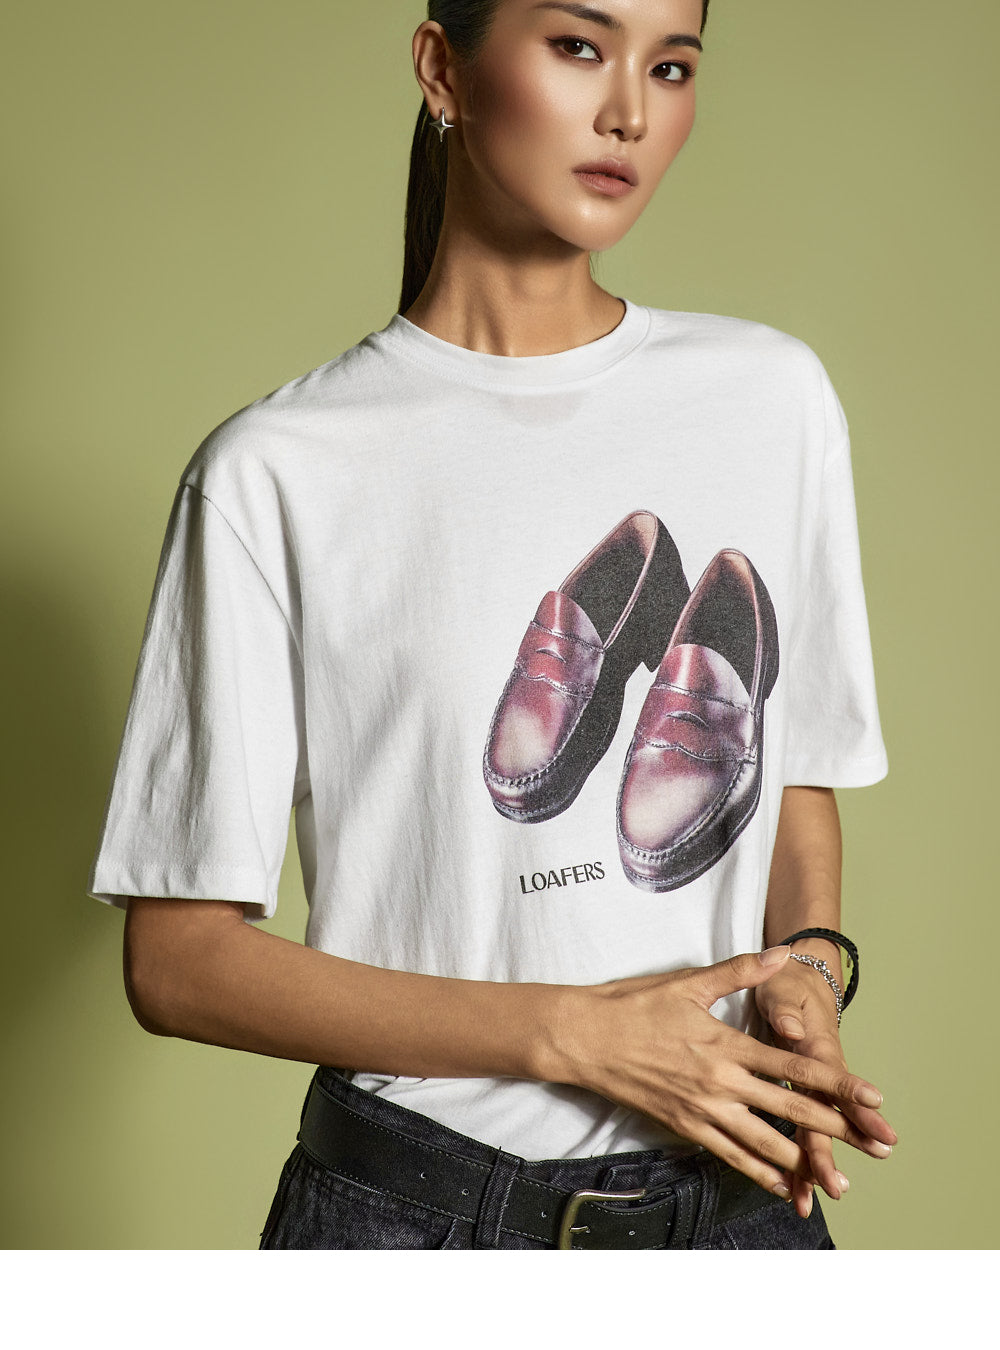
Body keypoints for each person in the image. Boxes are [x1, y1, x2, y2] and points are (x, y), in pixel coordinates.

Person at [87, 0, 897, 1250]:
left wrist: (804, 967)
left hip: (738, 1205)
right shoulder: (278, 470)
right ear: (442, 70)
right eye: (578, 46)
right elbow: (179, 962)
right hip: (410, 1215)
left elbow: (789, 775)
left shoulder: (769, 398)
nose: (628, 110)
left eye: (670, 66)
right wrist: (572, 1033)